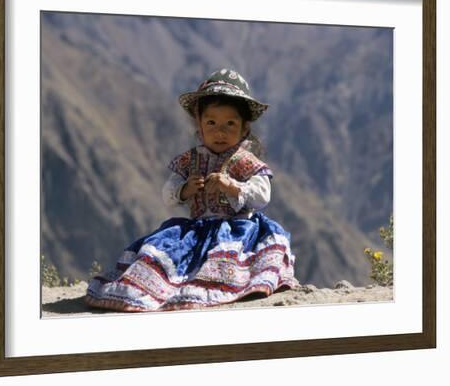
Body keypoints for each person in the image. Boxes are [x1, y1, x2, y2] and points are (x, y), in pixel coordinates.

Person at [84, 68, 298, 312]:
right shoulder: (189, 161)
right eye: (211, 122)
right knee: (162, 259)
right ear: (199, 126)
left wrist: (233, 186)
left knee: (229, 263)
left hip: (239, 229)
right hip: (195, 230)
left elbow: (263, 195)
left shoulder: (246, 162)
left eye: (230, 123)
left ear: (245, 128)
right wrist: (185, 190)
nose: (220, 131)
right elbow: (168, 193)